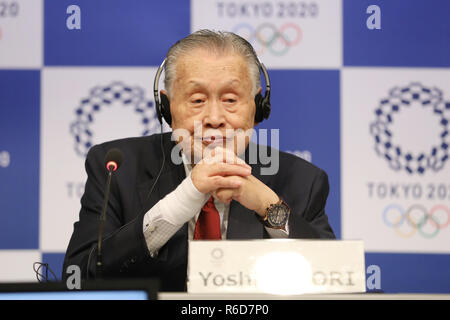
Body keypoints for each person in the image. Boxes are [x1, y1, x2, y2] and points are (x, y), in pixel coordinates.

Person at [63, 30, 335, 291]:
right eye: (197, 100)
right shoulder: (117, 169)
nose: (214, 118)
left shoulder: (302, 179)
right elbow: (77, 279)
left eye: (230, 99)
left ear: (257, 106)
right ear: (167, 107)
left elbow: (335, 281)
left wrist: (268, 207)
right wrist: (182, 200)